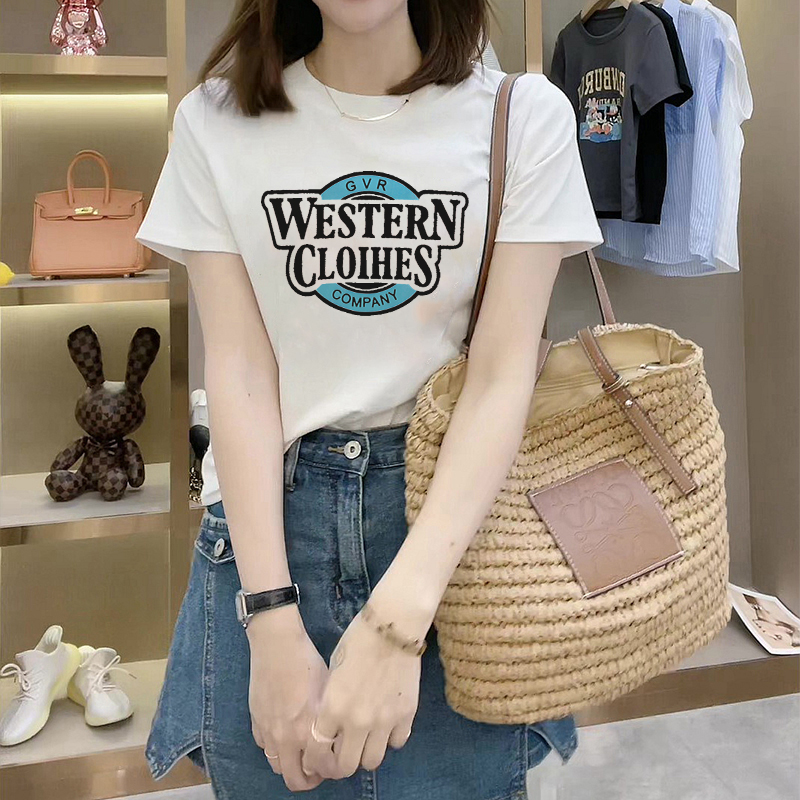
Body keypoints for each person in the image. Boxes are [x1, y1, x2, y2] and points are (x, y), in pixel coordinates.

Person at [136, 1, 603, 798]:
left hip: (447, 534)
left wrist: (399, 620)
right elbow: (241, 372)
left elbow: (502, 373)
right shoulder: (215, 120)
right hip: (267, 536)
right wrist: (270, 618)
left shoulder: (522, 116)